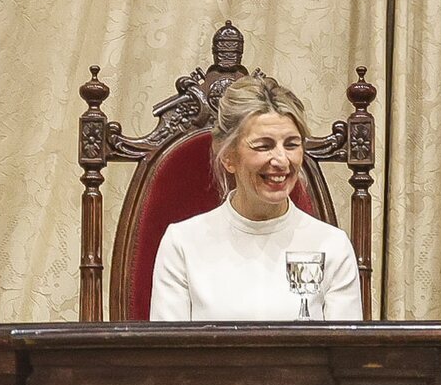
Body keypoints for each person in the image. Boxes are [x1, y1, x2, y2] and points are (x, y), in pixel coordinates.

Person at [150, 75, 362, 321]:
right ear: (228, 156)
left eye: (291, 145)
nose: (281, 160)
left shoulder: (332, 246)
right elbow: (169, 356)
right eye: (264, 146)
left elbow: (345, 356)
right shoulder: (182, 244)